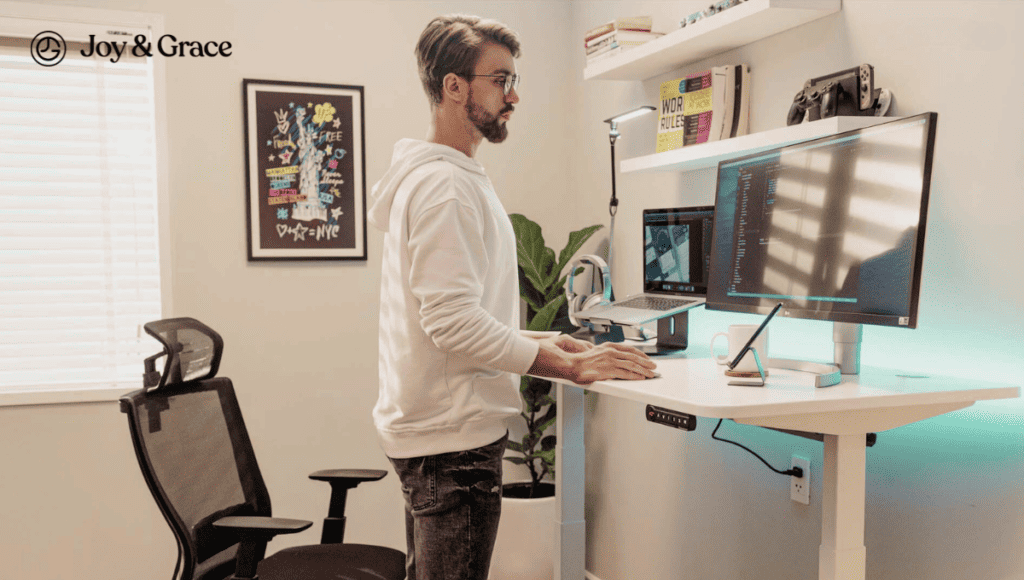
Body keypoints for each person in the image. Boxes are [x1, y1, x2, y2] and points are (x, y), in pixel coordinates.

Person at [366, 14, 657, 580]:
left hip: (435, 432)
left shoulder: (445, 176)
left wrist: (547, 340)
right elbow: (452, 325)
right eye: (501, 79)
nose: (514, 95)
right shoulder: (444, 185)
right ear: (454, 86)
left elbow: (454, 319)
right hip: (452, 444)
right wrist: (566, 367)